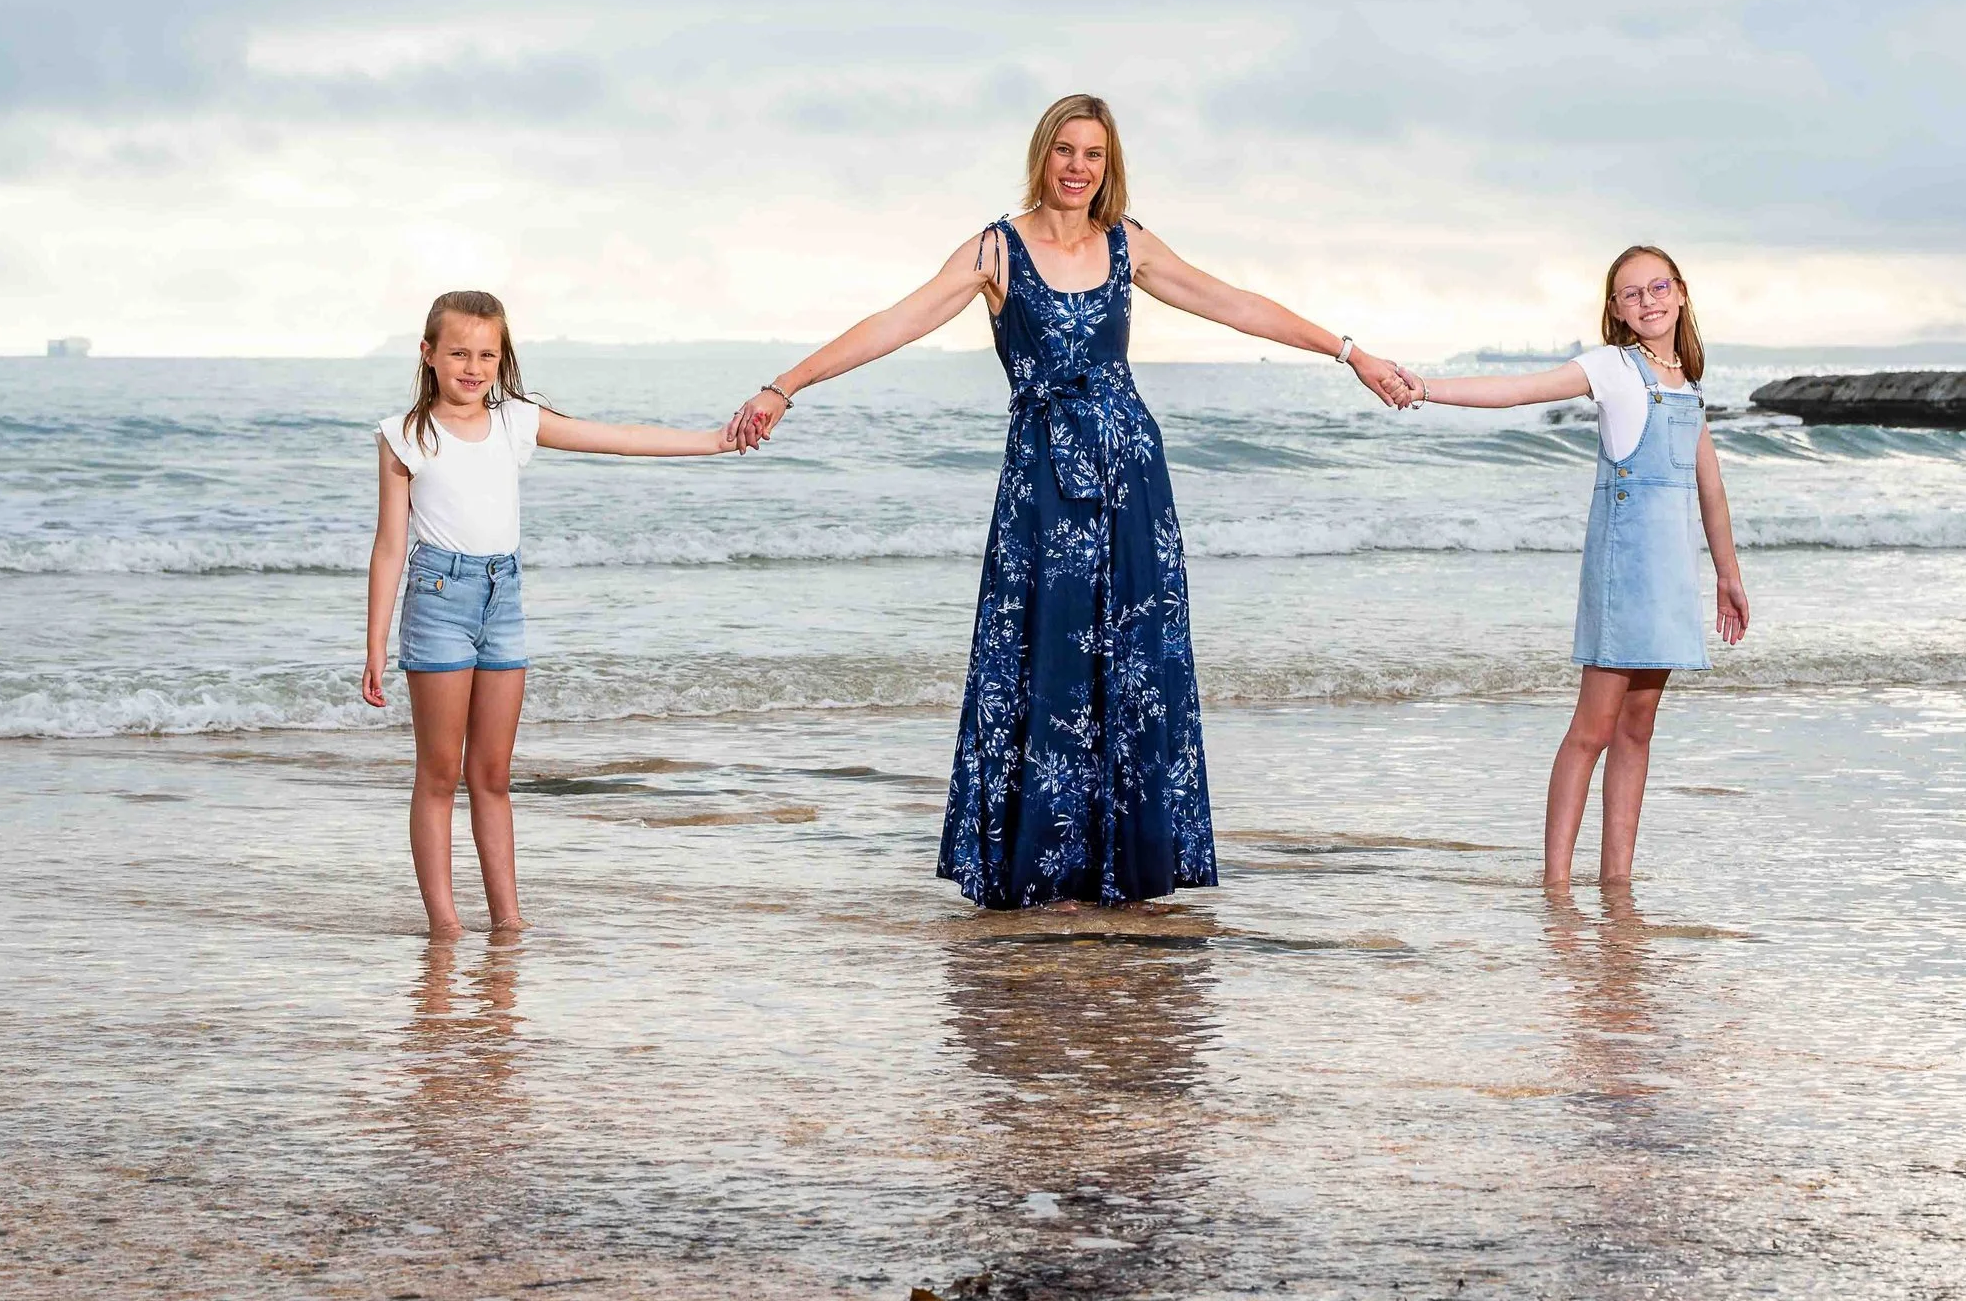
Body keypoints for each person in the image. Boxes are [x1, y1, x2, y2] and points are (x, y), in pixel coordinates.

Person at [727, 94, 1414, 909]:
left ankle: (1121, 874)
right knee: (1043, 663)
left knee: (1132, 669)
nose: (1077, 167)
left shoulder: (1129, 244)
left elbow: (1235, 303)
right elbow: (895, 321)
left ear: (1108, 165)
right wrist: (786, 384)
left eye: (1092, 153)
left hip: (1131, 480)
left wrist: (1350, 352)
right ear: (1042, 156)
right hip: (1043, 488)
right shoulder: (996, 250)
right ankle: (1042, 874)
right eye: (1064, 150)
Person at [364, 290, 740, 937]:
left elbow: (619, 438)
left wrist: (714, 441)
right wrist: (374, 646)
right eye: (457, 352)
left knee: (492, 773)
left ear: (502, 356)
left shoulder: (515, 419)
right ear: (427, 354)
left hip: (502, 597)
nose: (473, 366)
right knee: (438, 773)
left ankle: (508, 921)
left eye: (487, 353)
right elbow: (390, 544)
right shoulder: (406, 435)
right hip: (436, 598)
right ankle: (446, 926)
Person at [1396, 246, 1748, 888]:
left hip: (1671, 577)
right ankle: (1556, 881)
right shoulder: (1613, 368)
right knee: (1593, 728)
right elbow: (1516, 390)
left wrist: (1728, 574)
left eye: (1658, 287)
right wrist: (1427, 388)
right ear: (1614, 309)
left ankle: (1617, 881)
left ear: (1682, 293)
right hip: (1625, 572)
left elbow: (1711, 489)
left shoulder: (1689, 384)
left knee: (1638, 728)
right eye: (1631, 293)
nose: (1648, 301)